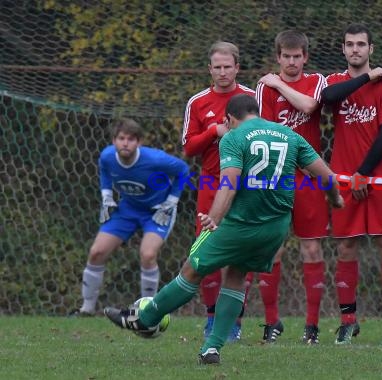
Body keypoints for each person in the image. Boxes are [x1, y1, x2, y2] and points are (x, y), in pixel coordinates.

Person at [104, 94, 344, 365]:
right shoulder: (289, 135)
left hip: (241, 224)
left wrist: (214, 218)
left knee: (191, 270)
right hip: (276, 228)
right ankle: (212, 348)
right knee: (236, 274)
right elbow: (327, 177)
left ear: (229, 118)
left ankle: (143, 319)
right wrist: (335, 199)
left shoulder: (233, 136)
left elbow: (229, 181)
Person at [321, 23, 382, 345]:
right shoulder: (336, 82)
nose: (355, 49)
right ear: (343, 49)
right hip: (343, 177)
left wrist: (364, 173)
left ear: (371, 49)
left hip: (378, 178)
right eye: (350, 45)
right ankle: (347, 322)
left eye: (361, 45)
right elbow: (328, 98)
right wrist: (366, 77)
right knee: (346, 247)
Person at [70, 118, 189, 316]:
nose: (125, 143)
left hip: (157, 211)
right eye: (121, 138)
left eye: (131, 139)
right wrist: (106, 196)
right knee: (96, 252)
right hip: (128, 209)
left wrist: (171, 201)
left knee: (148, 255)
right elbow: (105, 171)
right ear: (113, 141)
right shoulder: (107, 156)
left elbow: (183, 170)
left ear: (139, 142)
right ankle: (86, 310)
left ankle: (147, 313)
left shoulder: (154, 159)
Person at [254, 29, 328, 344]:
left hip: (310, 177)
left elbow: (310, 107)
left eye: (298, 56)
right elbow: (267, 131)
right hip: (277, 176)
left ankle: (311, 326)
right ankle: (272, 322)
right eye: (287, 56)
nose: (292, 62)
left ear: (305, 57)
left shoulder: (316, 83)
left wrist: (279, 83)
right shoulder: (264, 89)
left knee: (312, 248)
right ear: (278, 57)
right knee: (272, 249)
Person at [181, 41, 255, 342]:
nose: (223, 72)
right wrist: (213, 131)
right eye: (218, 67)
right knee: (207, 255)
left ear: (237, 67)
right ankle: (211, 319)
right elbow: (188, 148)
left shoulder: (252, 98)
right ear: (209, 69)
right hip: (211, 184)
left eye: (228, 66)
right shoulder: (197, 102)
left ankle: (233, 322)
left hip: (246, 185)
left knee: (240, 257)